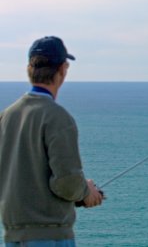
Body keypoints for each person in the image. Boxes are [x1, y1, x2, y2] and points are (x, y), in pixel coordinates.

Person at [0, 36, 104, 246]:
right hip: (50, 238)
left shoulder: (6, 116)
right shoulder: (58, 118)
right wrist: (86, 191)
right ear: (63, 69)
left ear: (30, 69)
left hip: (13, 237)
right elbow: (67, 182)